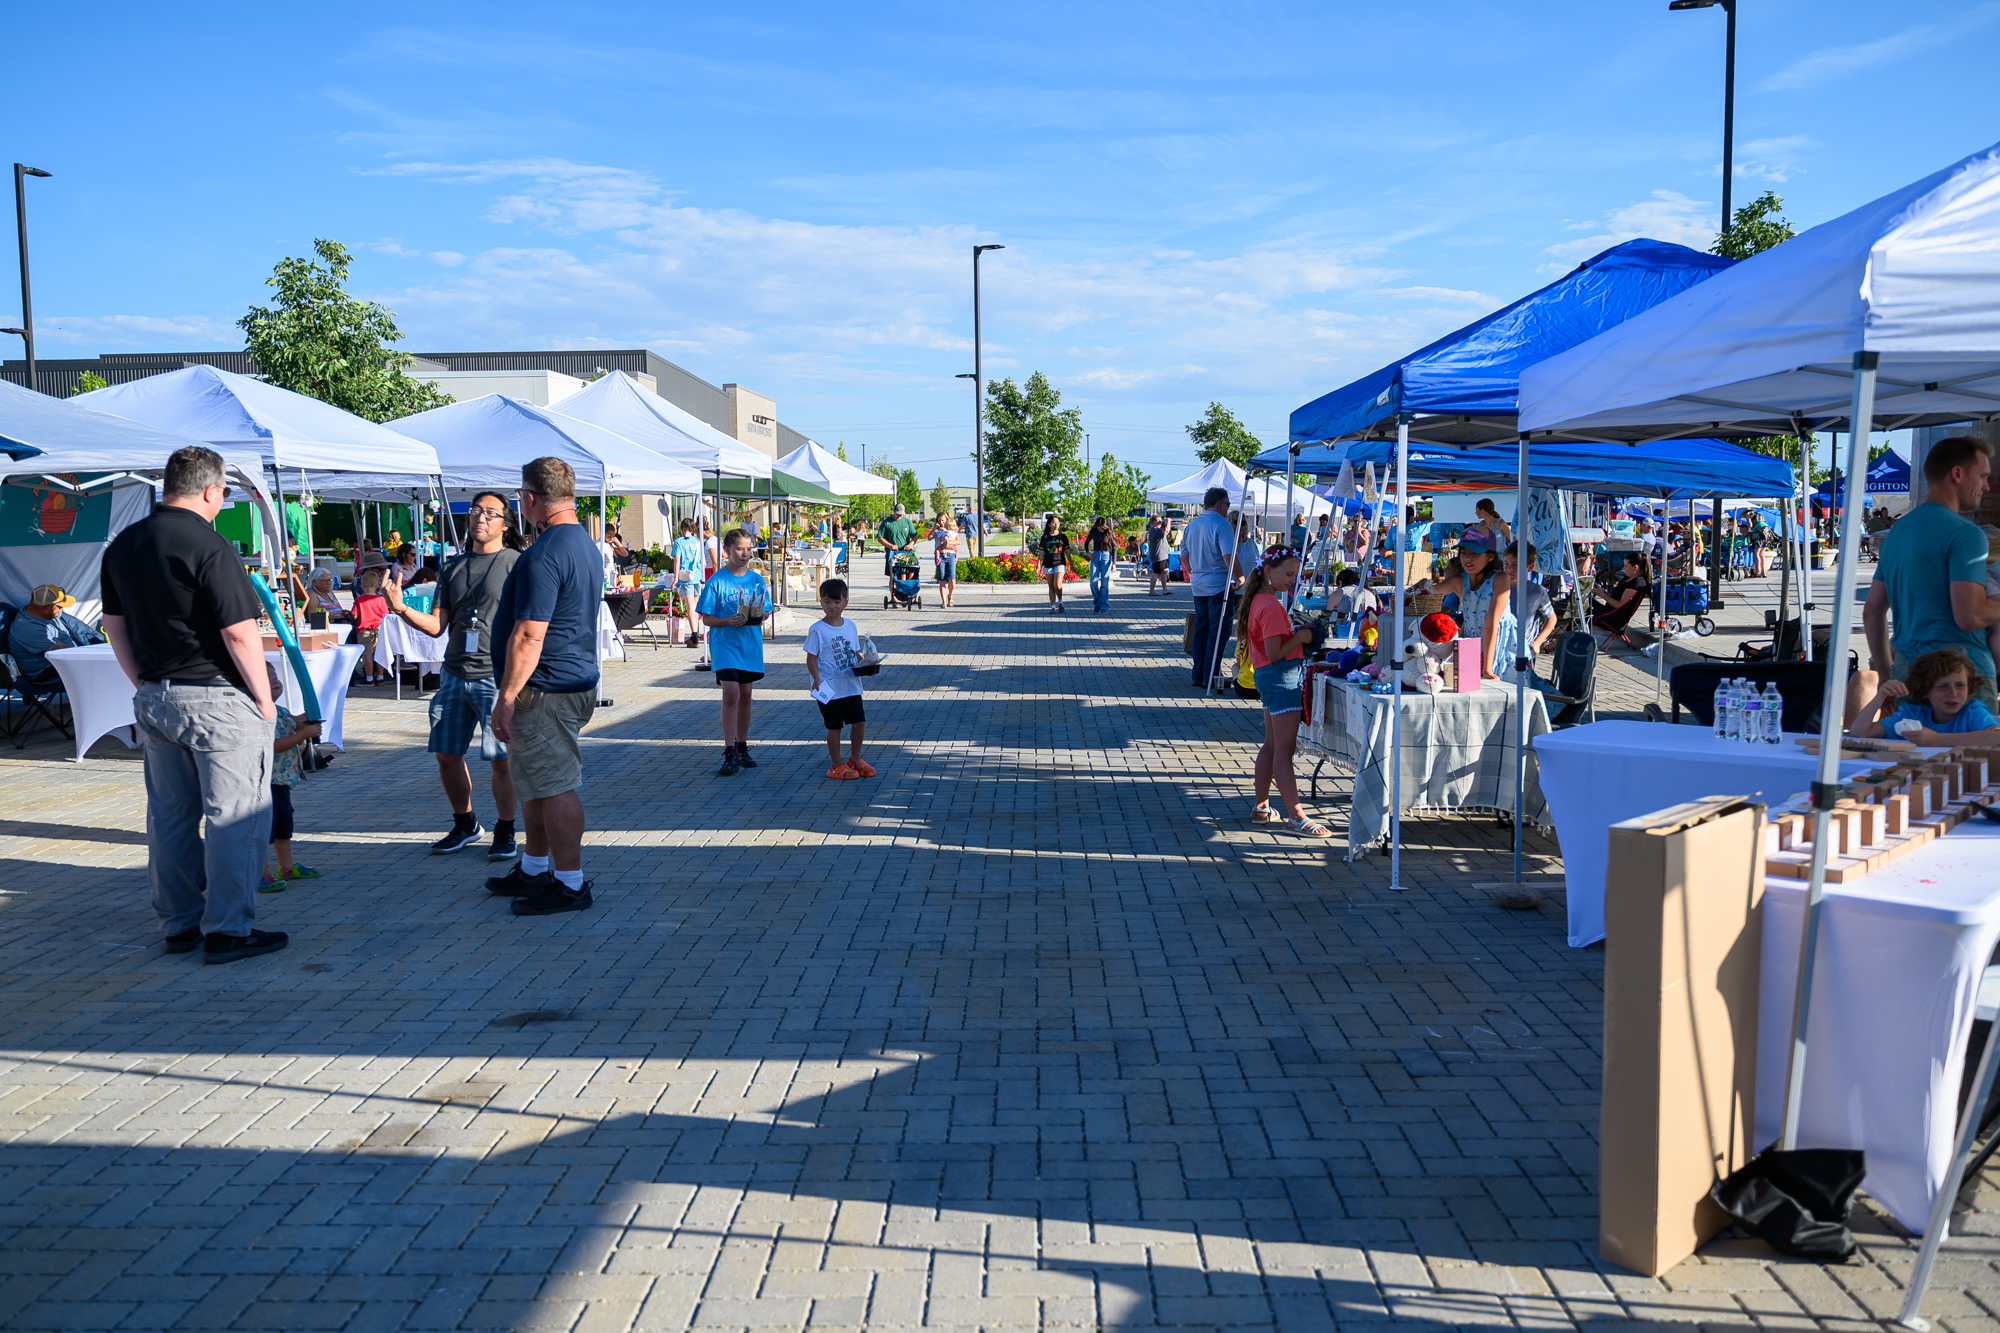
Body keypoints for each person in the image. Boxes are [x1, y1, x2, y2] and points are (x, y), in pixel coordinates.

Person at [100, 445, 287, 964]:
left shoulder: (125, 544)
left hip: (156, 695)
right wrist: (264, 699)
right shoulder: (210, 544)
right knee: (235, 817)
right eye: (224, 492)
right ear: (210, 490)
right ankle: (228, 930)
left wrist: (142, 681)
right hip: (217, 699)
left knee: (170, 818)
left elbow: (114, 627)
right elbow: (239, 632)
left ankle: (180, 923)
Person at [483, 457, 604, 916]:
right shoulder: (583, 543)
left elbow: (530, 633)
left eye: (520, 495)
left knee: (554, 786)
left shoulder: (546, 552)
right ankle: (535, 869)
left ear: (530, 498)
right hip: (562, 682)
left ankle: (570, 883)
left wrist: (506, 696)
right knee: (534, 782)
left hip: (546, 689)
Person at [382, 491, 525, 859]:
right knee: (446, 755)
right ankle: (466, 824)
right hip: (454, 674)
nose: (480, 517)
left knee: (501, 759)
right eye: (476, 511)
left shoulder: (517, 563)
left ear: (505, 524)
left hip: (496, 676)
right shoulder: (452, 567)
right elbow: (437, 626)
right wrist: (400, 609)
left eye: (490, 513)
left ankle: (506, 829)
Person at [1865, 436, 2000, 712]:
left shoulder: (1898, 532)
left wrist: (1886, 676)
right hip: (1963, 680)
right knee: (1973, 743)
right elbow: (1970, 615)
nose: (1986, 486)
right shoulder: (1966, 534)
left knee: (1911, 742)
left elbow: (1872, 612)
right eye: (1982, 476)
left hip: (1909, 676)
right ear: (1957, 474)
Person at [1238, 546, 1334, 838]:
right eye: (1289, 574)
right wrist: (1301, 636)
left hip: (1270, 678)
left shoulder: (1259, 600)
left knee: (1271, 745)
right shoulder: (1269, 604)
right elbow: (1274, 652)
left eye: (1296, 574)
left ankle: (1262, 806)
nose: (1294, 579)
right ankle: (1296, 815)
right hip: (1281, 678)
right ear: (1269, 571)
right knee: (1283, 750)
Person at [698, 528, 770, 776]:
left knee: (746, 695)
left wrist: (761, 614)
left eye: (748, 549)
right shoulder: (716, 581)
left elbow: (766, 609)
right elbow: (706, 618)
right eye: (740, 549)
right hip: (725, 645)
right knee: (731, 694)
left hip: (749, 645)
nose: (745, 553)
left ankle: (742, 746)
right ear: (727, 550)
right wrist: (728, 620)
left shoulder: (756, 580)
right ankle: (729, 750)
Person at [259, 661, 322, 893]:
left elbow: (293, 722)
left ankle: (286, 866)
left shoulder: (280, 711)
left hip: (282, 781)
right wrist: (303, 734)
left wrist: (304, 721)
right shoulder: (260, 715)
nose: (275, 681)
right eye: (267, 678)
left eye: (275, 676)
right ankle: (260, 873)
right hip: (266, 782)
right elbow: (272, 745)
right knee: (265, 829)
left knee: (284, 825)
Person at [1853, 648, 2000, 746]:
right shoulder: (1911, 715)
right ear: (1924, 691)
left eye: (1960, 685)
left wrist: (1938, 739)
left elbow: (1996, 737)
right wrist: (1880, 696)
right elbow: (1860, 733)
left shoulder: (1972, 712)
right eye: (1943, 686)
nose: (1953, 693)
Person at [804, 577, 874, 780]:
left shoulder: (850, 626)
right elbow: (811, 658)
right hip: (828, 687)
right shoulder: (817, 629)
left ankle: (855, 759)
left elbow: (855, 653)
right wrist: (816, 678)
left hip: (850, 685)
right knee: (834, 726)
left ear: (846, 602)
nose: (832, 606)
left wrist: (866, 666)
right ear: (820, 602)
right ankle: (836, 765)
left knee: (859, 723)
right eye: (827, 601)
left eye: (837, 601)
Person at [1430, 530, 1517, 681]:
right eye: (1463, 553)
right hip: (1473, 645)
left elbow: (1491, 624)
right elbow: (1435, 590)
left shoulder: (1500, 578)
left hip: (1501, 646)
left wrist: (1487, 668)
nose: (1467, 558)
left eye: (1475, 553)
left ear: (1490, 556)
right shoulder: (1460, 580)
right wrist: (1424, 585)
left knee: (1504, 686)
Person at [1182, 486, 1237, 687]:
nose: (1228, 508)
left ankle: (1198, 673)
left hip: (1199, 583)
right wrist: (1239, 576)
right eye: (1228, 504)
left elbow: (1184, 555)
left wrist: (1194, 571)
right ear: (1220, 504)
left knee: (1201, 628)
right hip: (1218, 583)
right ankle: (1211, 674)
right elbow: (1228, 556)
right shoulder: (1222, 525)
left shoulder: (1192, 525)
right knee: (1218, 630)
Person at [7, 584, 102, 683]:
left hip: (62, 661)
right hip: (45, 671)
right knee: (99, 672)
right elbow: (66, 655)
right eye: (60, 607)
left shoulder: (43, 612)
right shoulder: (29, 629)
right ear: (47, 608)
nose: (62, 610)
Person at [351, 554, 392, 685]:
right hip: (379, 627)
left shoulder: (359, 599)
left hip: (364, 628)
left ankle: (369, 678)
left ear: (363, 585)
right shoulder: (381, 598)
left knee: (367, 654)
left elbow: (354, 615)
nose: (383, 572)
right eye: (381, 569)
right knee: (379, 653)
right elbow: (385, 614)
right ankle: (380, 677)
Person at [1592, 551, 1651, 637]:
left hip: (1613, 618)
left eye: (1626, 566)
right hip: (1609, 612)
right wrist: (1601, 591)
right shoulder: (1627, 578)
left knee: (1584, 609)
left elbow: (1621, 605)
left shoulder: (1637, 582)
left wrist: (1602, 594)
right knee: (1585, 602)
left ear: (1635, 567)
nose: (1624, 568)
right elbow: (1615, 598)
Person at [670, 517, 706, 647]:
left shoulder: (678, 542)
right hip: (697, 575)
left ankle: (695, 636)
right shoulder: (698, 542)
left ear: (682, 528)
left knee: (690, 607)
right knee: (694, 606)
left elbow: (677, 560)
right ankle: (694, 634)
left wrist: (675, 578)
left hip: (686, 577)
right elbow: (704, 562)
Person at [1038, 514, 1071, 613]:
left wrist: (1071, 562)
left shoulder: (1062, 537)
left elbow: (1067, 550)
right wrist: (1038, 564)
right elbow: (1041, 552)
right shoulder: (1045, 537)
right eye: (1053, 522)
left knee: (1057, 584)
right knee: (1051, 586)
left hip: (1060, 562)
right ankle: (1053, 607)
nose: (1056, 524)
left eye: (1057, 522)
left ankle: (1060, 602)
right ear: (1049, 524)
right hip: (1048, 563)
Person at [1084, 515, 1117, 613]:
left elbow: (1114, 548)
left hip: (1106, 557)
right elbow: (1086, 542)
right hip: (1095, 556)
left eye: (1102, 528)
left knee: (1104, 583)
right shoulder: (1093, 531)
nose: (1101, 530)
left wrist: (1114, 563)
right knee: (1093, 582)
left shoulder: (1109, 532)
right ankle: (1097, 602)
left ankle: (1104, 606)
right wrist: (1087, 552)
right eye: (1099, 528)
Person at [878, 503, 917, 577]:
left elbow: (914, 536)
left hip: (906, 553)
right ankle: (893, 584)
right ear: (893, 511)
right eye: (898, 514)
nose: (900, 515)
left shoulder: (907, 522)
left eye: (901, 514)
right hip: (892, 554)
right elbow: (880, 538)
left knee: (908, 575)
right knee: (893, 576)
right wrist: (890, 545)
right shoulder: (886, 522)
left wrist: (910, 545)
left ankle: (905, 585)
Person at [933, 515, 961, 609]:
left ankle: (950, 596)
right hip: (941, 555)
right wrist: (936, 530)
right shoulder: (939, 531)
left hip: (951, 555)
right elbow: (931, 537)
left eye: (943, 520)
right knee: (942, 579)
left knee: (952, 579)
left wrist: (949, 542)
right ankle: (944, 601)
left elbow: (958, 542)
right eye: (939, 520)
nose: (941, 522)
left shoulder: (954, 532)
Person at [1144, 515, 1171, 596]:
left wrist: (1165, 524)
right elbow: (1166, 532)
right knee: (1156, 572)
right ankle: (1151, 591)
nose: (1161, 522)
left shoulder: (1158, 530)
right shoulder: (1154, 530)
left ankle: (1165, 589)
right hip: (1158, 555)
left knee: (1165, 571)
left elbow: (1166, 531)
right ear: (1153, 522)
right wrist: (1168, 521)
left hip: (1163, 555)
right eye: (1159, 521)